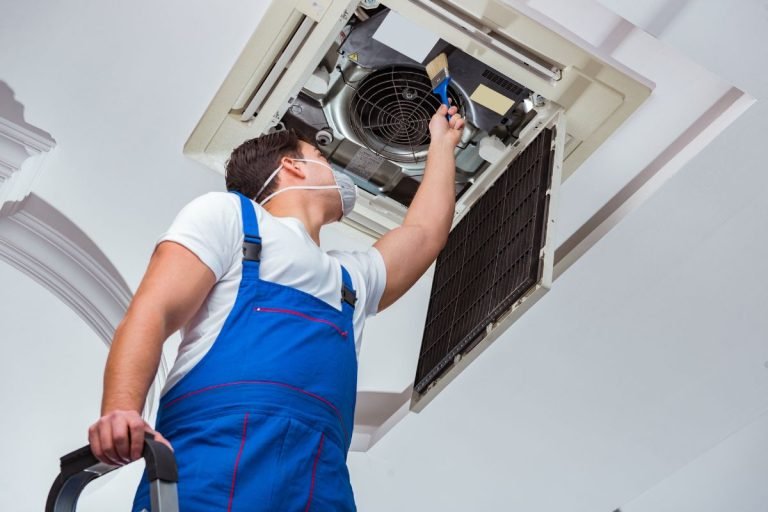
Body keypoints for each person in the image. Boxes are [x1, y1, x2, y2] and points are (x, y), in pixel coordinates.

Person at [88, 103, 464, 511]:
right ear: (293, 167)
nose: (339, 173)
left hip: (319, 478)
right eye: (321, 157)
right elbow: (153, 310)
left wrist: (442, 145)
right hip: (214, 459)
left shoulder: (351, 278)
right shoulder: (230, 215)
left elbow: (424, 234)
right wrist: (121, 411)